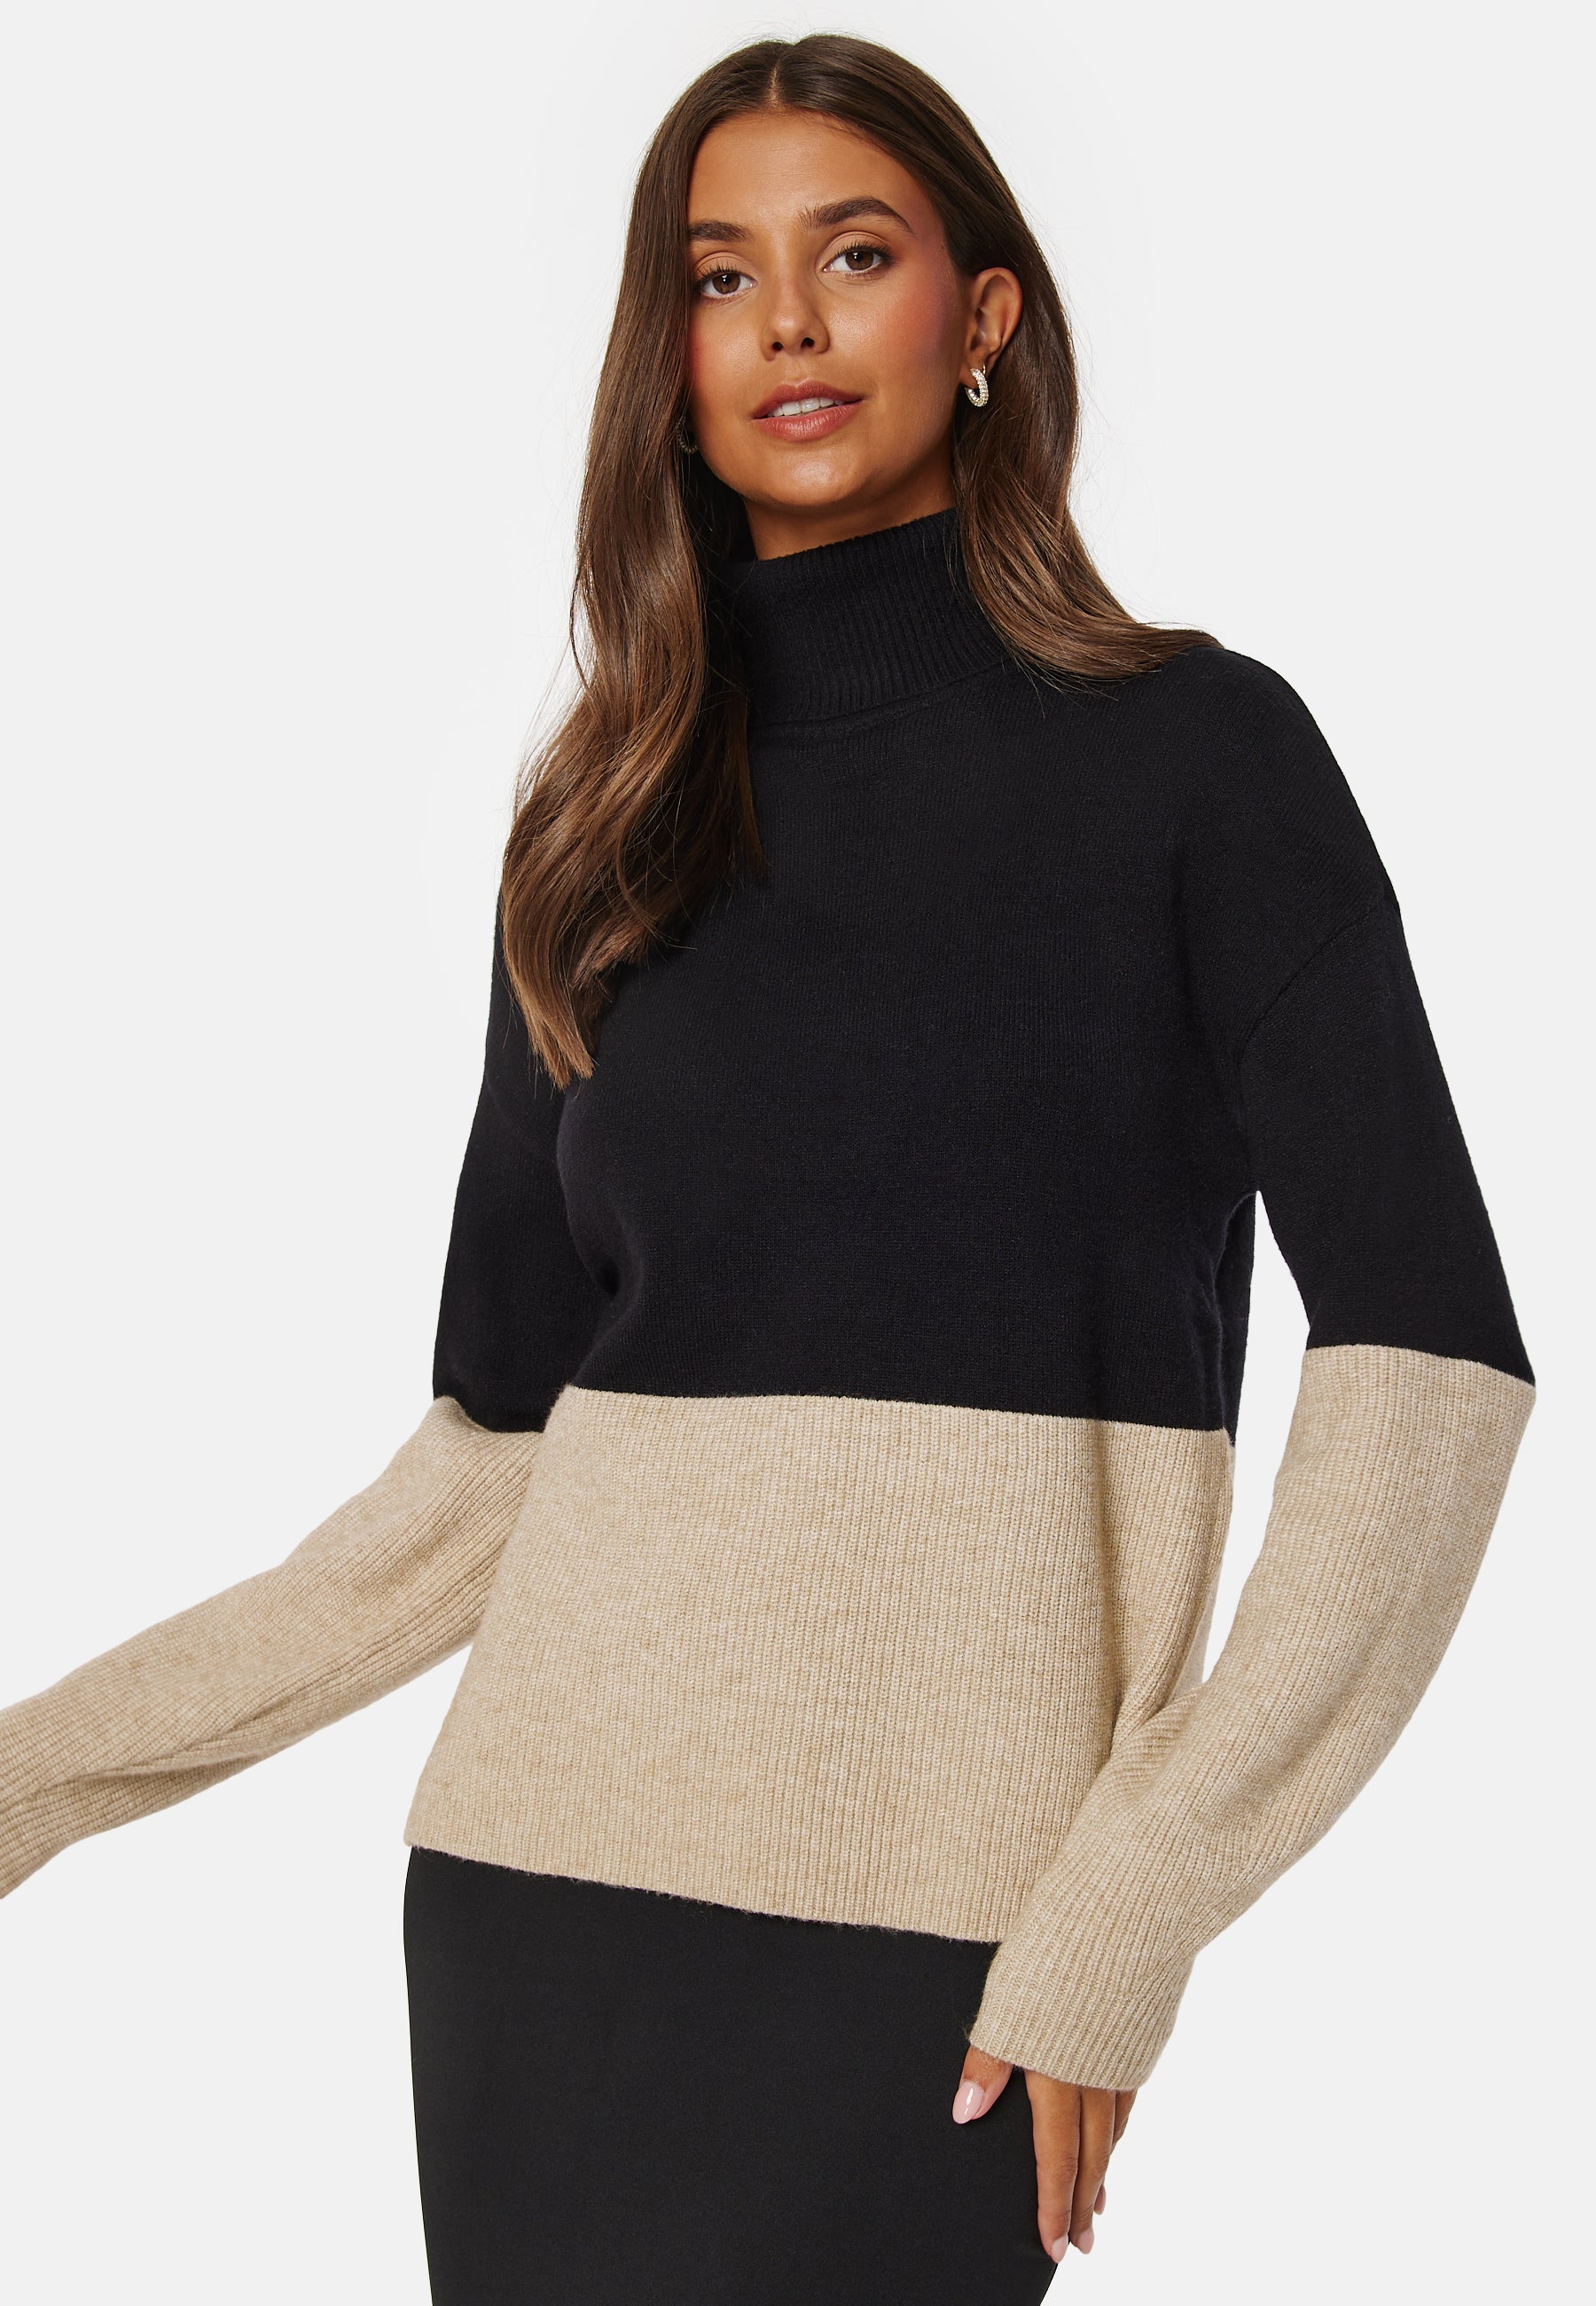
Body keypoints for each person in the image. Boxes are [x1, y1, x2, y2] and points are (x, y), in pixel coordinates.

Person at [0, 33, 1535, 2304]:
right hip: (541, 1902)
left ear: (985, 314)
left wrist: (1137, 1897)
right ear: (672, 351)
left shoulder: (1202, 763)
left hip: (950, 1948)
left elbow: (1432, 1373)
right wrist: (34, 1774)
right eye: (721, 276)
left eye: (856, 255)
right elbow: (486, 1476)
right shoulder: (599, 822)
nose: (789, 324)